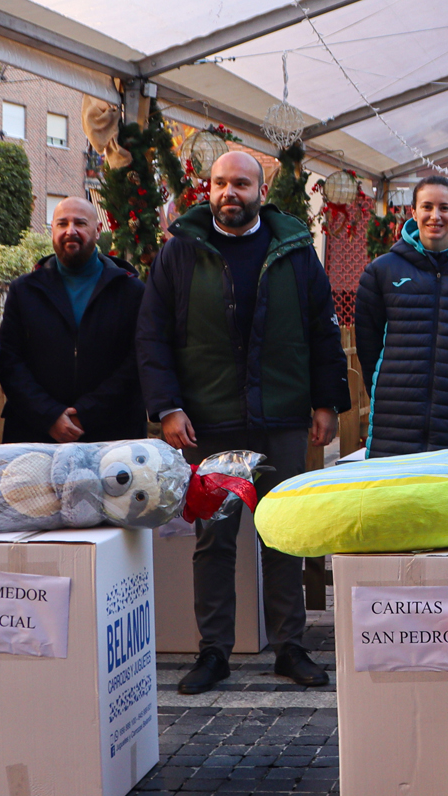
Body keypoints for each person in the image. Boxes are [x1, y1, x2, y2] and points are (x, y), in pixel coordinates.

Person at [137, 150, 349, 694]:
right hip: (209, 422)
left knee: (284, 535)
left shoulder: (296, 251)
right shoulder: (180, 252)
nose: (230, 192)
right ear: (207, 189)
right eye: (220, 183)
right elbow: (153, 335)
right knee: (214, 540)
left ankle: (290, 647)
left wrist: (326, 402)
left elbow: (323, 332)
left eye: (241, 184)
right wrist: (168, 407)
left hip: (281, 416)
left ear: (261, 190)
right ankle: (214, 652)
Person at [351, 175, 448, 457]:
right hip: (395, 417)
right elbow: (368, 344)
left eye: (444, 208)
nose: (435, 216)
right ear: (413, 212)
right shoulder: (382, 271)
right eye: (427, 207)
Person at [0, 196, 146, 445]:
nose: (71, 231)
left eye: (80, 223)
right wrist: (49, 415)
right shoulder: (24, 290)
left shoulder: (130, 291)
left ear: (98, 231)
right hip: (35, 434)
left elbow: (138, 361)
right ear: (52, 229)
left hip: (113, 437)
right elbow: (9, 361)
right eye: (62, 224)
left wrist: (85, 415)